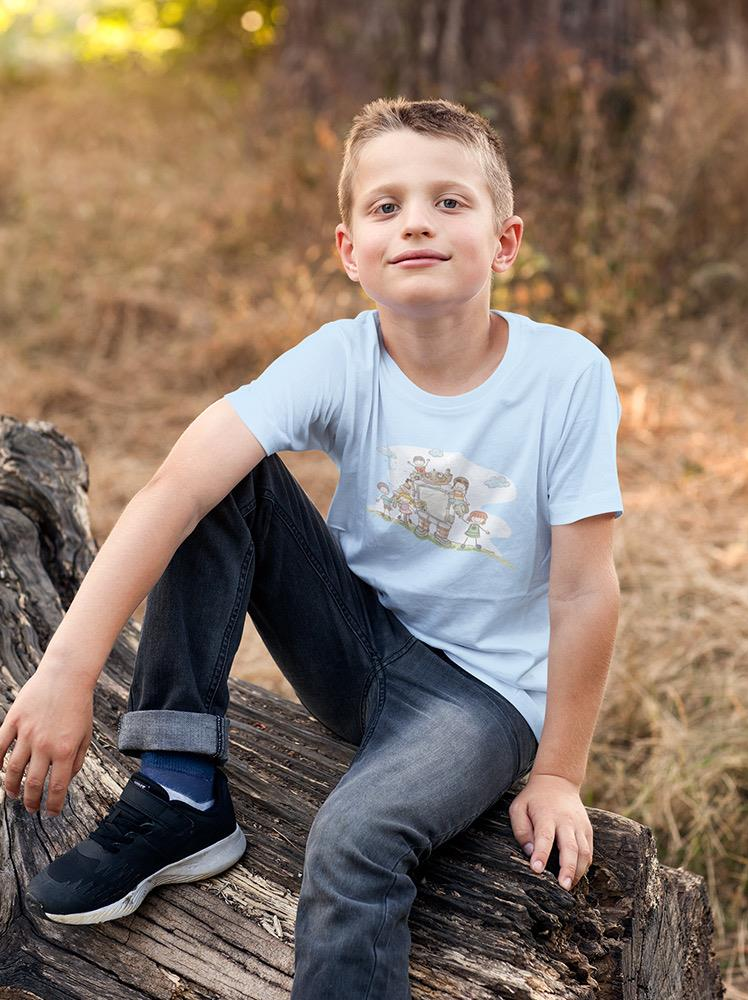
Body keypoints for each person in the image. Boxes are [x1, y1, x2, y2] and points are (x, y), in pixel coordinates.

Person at [0, 96, 623, 998]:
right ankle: (179, 788)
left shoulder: (567, 377)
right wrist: (65, 668)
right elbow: (176, 486)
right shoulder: (339, 357)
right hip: (356, 648)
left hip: (484, 701)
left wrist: (561, 773)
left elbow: (584, 593)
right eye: (386, 206)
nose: (416, 220)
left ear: (505, 241)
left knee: (353, 840)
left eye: (451, 202)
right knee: (220, 477)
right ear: (350, 253)